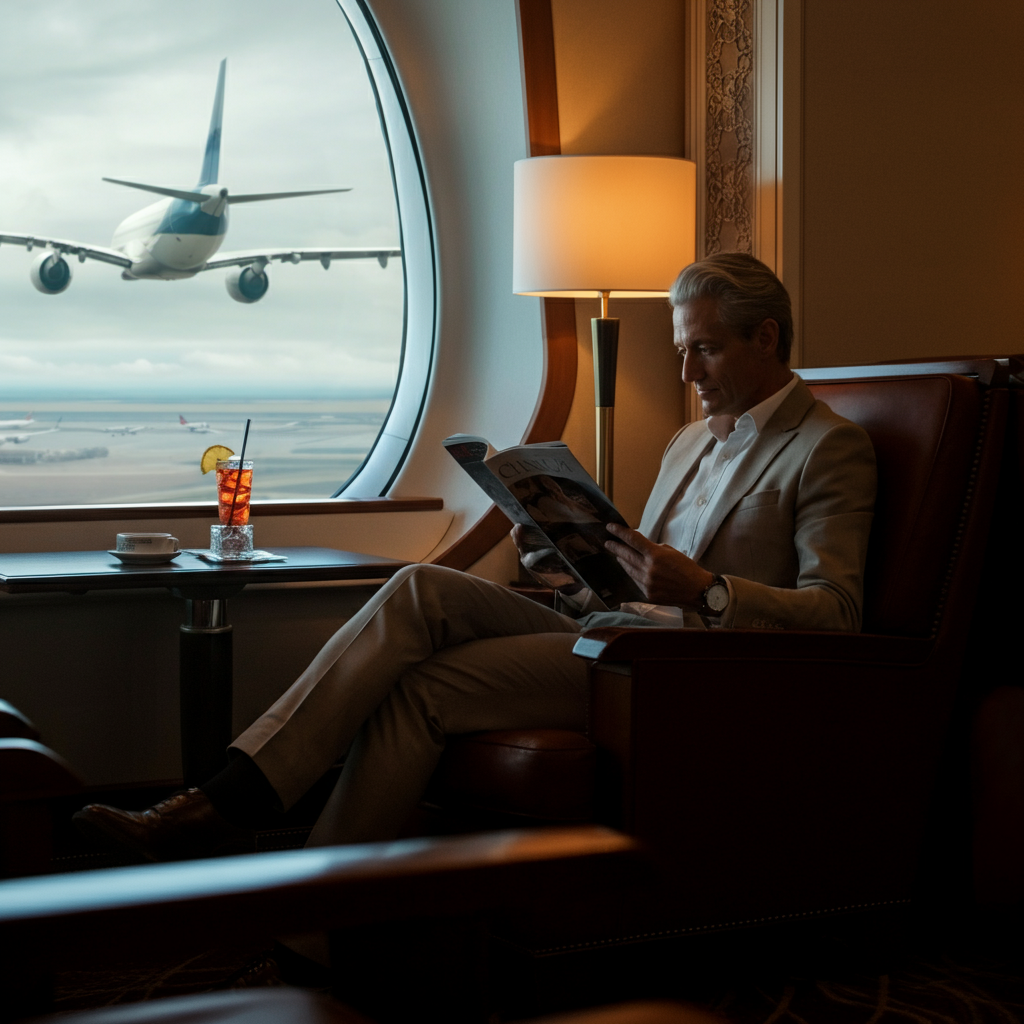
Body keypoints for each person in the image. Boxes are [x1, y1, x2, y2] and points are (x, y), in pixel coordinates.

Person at [74, 252, 877, 866]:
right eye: (681, 350)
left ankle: (280, 879)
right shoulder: (688, 439)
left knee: (422, 689)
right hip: (607, 620)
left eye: (702, 351)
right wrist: (558, 548)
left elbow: (839, 612)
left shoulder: (828, 446)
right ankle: (240, 806)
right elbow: (634, 566)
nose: (684, 374)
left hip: (679, 663)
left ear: (765, 338)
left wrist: (710, 595)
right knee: (420, 585)